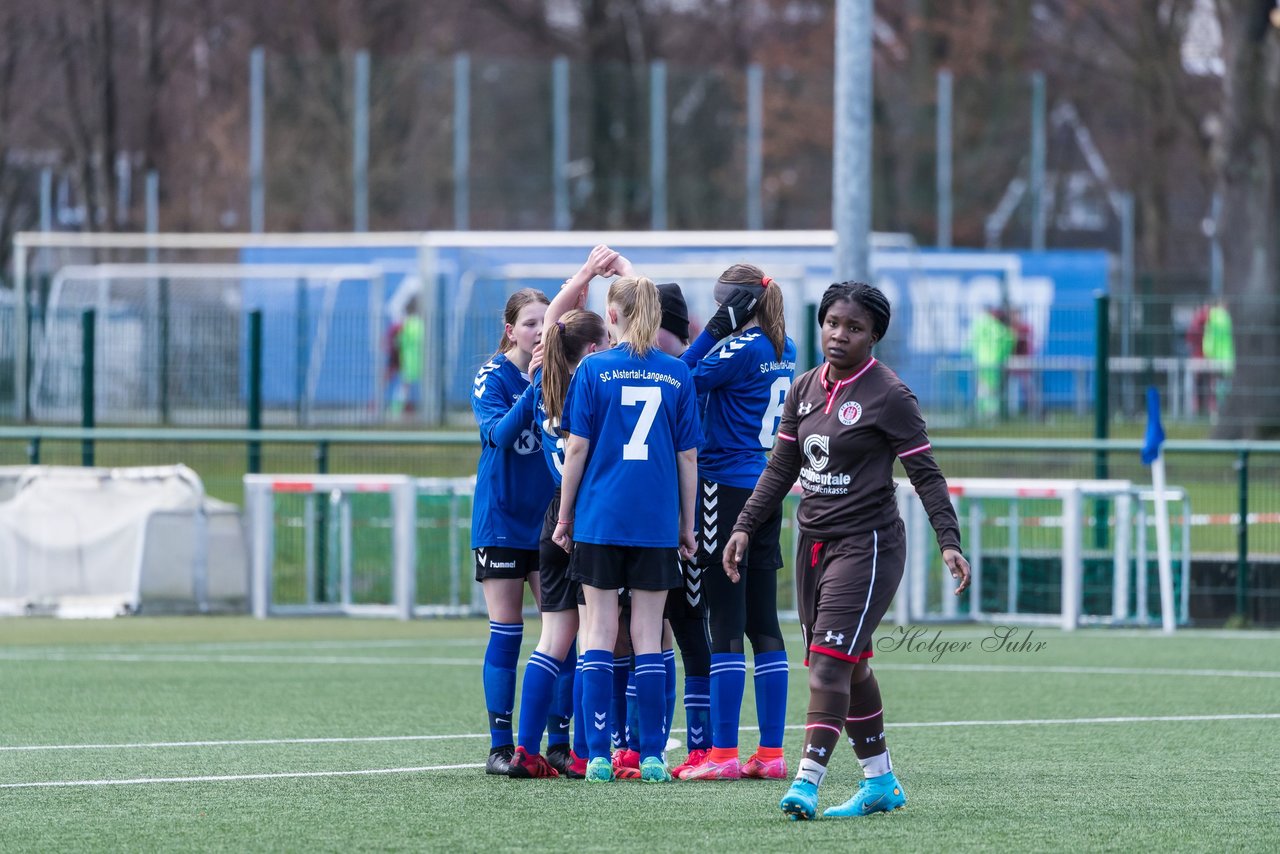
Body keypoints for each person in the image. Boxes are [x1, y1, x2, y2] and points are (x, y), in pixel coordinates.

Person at [723, 282, 971, 820]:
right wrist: (744, 525)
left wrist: (948, 540)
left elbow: (925, 474)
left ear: (874, 336)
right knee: (848, 665)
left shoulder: (890, 395)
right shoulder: (806, 386)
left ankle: (806, 783)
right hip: (814, 543)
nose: (839, 334)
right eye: (833, 323)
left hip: (869, 546)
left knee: (828, 669)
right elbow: (782, 467)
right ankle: (880, 783)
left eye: (854, 328)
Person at [553, 275, 702, 784]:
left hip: (599, 518)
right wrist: (687, 524)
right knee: (648, 637)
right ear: (657, 318)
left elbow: (576, 448)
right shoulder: (678, 374)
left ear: (611, 317)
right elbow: (687, 456)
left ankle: (597, 755)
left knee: (597, 631)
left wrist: (566, 516)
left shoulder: (593, 370)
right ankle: (652, 755)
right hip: (655, 524)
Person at [674, 265, 797, 782]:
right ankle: (770, 753)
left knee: (724, 620)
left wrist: (714, 331)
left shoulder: (738, 347)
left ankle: (723, 753)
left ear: (732, 304)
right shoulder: (784, 346)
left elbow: (676, 376)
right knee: (763, 622)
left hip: (724, 487)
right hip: (768, 488)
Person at [507, 246, 617, 780]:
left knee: (553, 639)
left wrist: (585, 275)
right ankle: (585, 753)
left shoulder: (545, 376)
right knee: (598, 632)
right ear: (593, 349)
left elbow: (553, 323)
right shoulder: (594, 382)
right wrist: (606, 275)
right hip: (587, 513)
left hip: (552, 516)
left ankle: (526, 750)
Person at [470, 287, 556, 775]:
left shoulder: (559, 374)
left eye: (547, 322)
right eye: (530, 323)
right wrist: (535, 385)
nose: (540, 331)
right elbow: (501, 434)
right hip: (501, 521)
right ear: (510, 330)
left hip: (548, 522)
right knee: (507, 632)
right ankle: (500, 747)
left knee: (560, 630)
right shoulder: (492, 376)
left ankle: (559, 744)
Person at [969, 305, 1014, 420]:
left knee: (982, 387)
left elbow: (971, 343)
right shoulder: (1000, 329)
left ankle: (981, 413)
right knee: (993, 389)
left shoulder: (978, 324)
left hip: (980, 360)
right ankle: (992, 414)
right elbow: (1009, 341)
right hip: (995, 361)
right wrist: (1004, 356)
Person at [1202, 299, 1234, 420]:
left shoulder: (1212, 318)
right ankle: (1226, 409)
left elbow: (1209, 338)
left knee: (1216, 384)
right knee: (1228, 384)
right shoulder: (1229, 318)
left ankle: (1216, 411)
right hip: (1229, 356)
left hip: (1215, 356)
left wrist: (1208, 353)